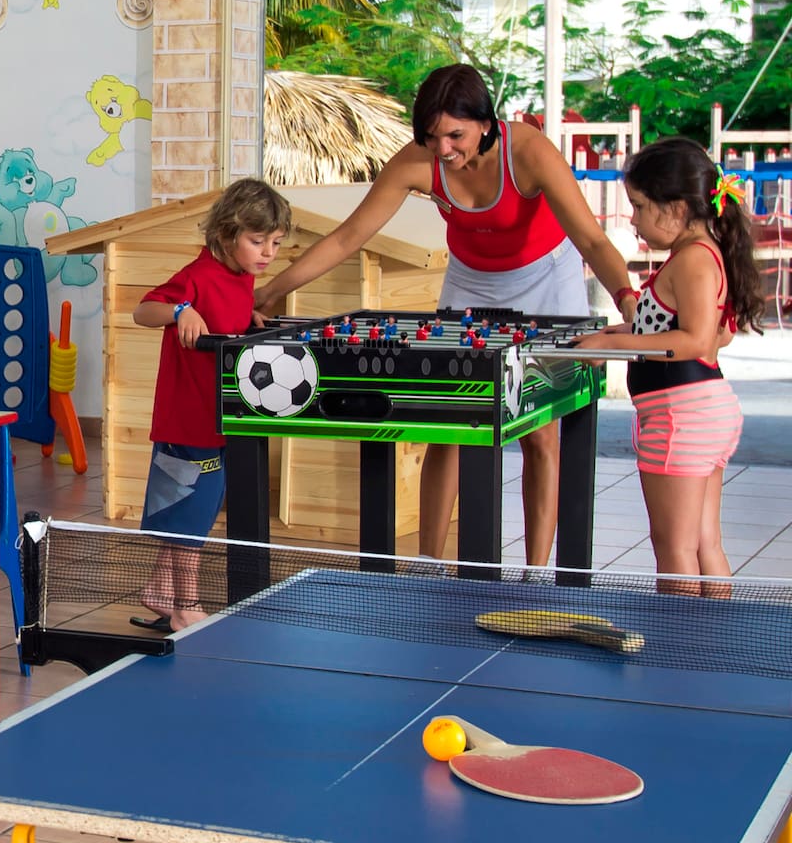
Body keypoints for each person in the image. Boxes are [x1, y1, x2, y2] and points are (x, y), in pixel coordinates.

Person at [254, 65, 635, 567]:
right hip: (472, 278)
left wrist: (628, 300)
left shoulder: (529, 152)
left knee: (540, 430)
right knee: (449, 422)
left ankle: (535, 572)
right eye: (432, 137)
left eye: (455, 135)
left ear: (485, 123)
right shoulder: (418, 161)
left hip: (545, 274)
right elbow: (348, 237)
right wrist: (271, 292)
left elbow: (591, 239)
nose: (444, 149)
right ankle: (429, 566)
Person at [577, 138, 761, 590]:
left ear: (677, 208)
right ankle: (713, 631)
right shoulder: (701, 253)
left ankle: (678, 634)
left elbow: (696, 339)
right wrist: (616, 335)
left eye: (640, 207)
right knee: (704, 543)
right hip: (700, 412)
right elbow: (700, 329)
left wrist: (614, 347)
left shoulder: (693, 260)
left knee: (674, 547)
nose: (633, 220)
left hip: (681, 418)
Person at [129, 178, 291, 630]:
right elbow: (143, 310)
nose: (268, 253)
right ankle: (186, 605)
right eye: (257, 241)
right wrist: (180, 310)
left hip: (217, 418)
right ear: (226, 234)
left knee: (194, 508)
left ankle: (160, 588)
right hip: (188, 422)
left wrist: (248, 319)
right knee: (190, 518)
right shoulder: (198, 276)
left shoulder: (242, 278)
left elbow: (225, 320)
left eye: (276, 243)